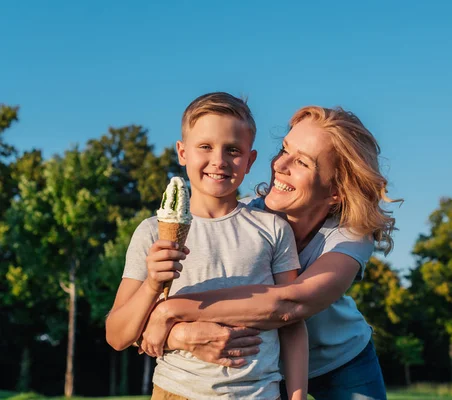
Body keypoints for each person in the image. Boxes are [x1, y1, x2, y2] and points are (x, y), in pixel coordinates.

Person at [139, 105, 398, 400]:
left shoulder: (350, 236)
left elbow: (290, 305)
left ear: (335, 190)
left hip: (342, 363)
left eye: (302, 162)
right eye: (284, 149)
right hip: (265, 369)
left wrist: (172, 310)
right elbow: (142, 314)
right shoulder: (244, 217)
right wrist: (178, 334)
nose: (279, 165)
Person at [105, 92, 308, 400]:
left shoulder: (274, 229)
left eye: (233, 150)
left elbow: (292, 323)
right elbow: (117, 336)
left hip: (258, 394)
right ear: (182, 152)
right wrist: (151, 284)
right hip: (177, 392)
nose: (219, 161)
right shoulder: (151, 233)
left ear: (250, 160)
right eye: (205, 147)